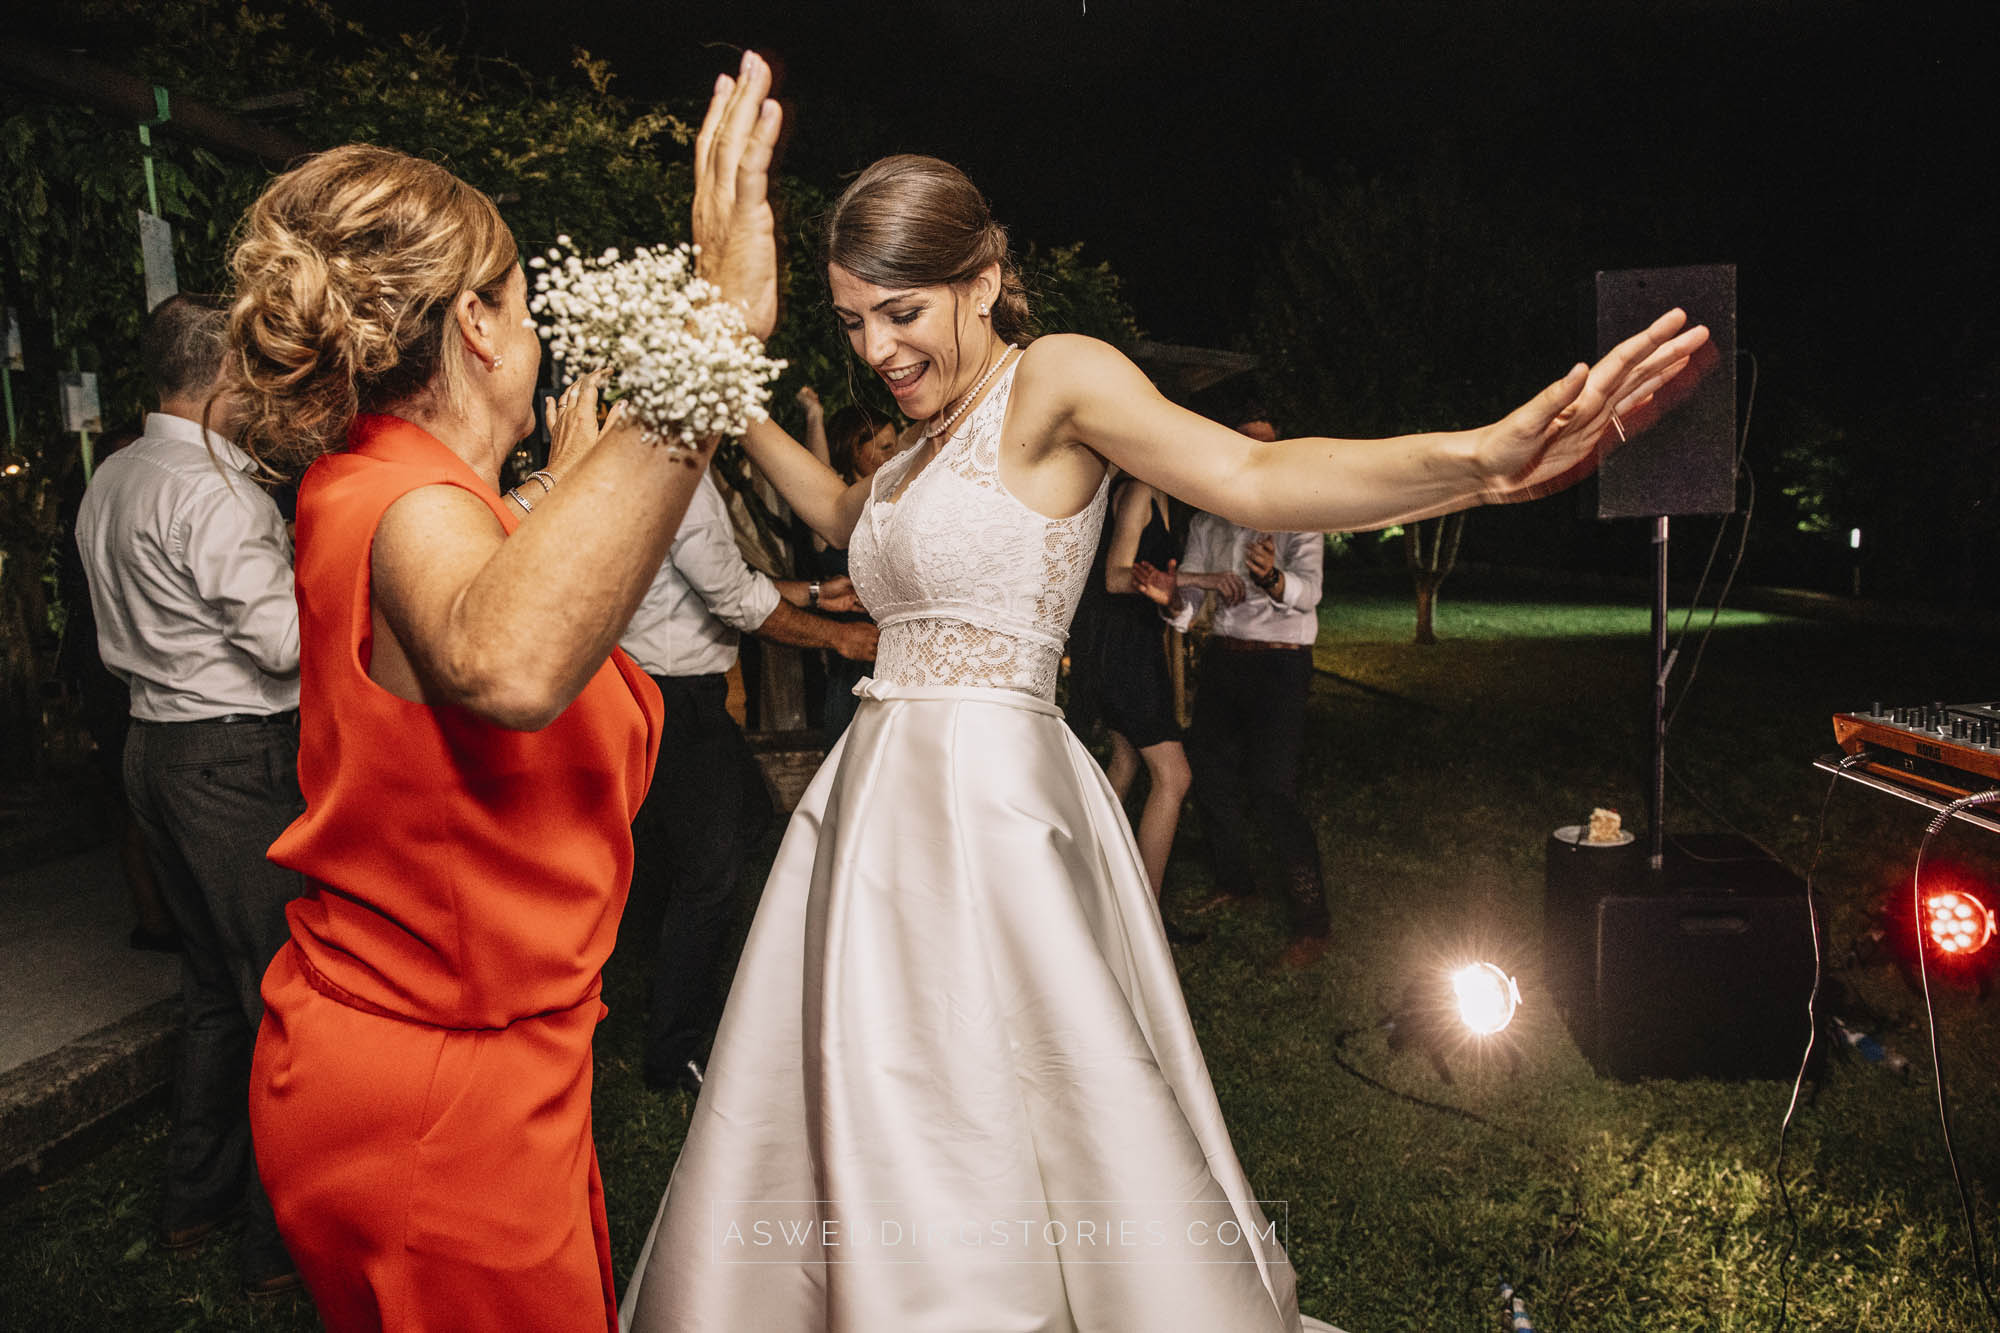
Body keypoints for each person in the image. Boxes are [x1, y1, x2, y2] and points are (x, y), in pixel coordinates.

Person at [620, 146, 1706, 1333]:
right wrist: (725, 399)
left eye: (900, 311)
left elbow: (1250, 471)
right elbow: (847, 516)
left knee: (997, 1092)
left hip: (988, 807)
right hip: (871, 806)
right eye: (849, 322)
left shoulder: (1054, 382)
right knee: (866, 1090)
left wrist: (1474, 463)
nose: (876, 349)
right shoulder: (917, 445)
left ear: (982, 278)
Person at [233, 56, 783, 1332]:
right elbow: (510, 662)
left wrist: (563, 494)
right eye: (526, 306)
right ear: (477, 327)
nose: (538, 335)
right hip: (438, 1089)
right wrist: (719, 323)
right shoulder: (406, 498)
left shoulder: (400, 488)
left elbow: (484, 600)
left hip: (445, 1056)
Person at [73, 294, 306, 1298]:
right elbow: (284, 644)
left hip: (153, 755)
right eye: (256, 373)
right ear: (224, 376)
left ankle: (193, 1203)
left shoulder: (114, 472)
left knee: (214, 994)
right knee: (278, 1001)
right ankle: (271, 1244)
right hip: (229, 761)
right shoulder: (215, 488)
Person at [621, 463, 878, 1095]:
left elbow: (716, 581)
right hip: (672, 696)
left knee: (749, 816)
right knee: (710, 876)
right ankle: (672, 1054)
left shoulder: (672, 457)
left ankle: (653, 958)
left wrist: (818, 593)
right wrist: (840, 639)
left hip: (664, 690)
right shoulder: (674, 463)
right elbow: (733, 600)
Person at [1145, 408, 1334, 972]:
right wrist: (1170, 598)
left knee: (1272, 790)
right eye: (1244, 445)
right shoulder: (1210, 520)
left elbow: (1310, 593)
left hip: (1282, 666)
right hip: (1228, 660)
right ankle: (1237, 882)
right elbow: (1189, 610)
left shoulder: (1299, 516)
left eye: (1266, 447)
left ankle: (1312, 924)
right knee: (1209, 775)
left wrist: (1272, 578)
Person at [797, 385, 900, 738]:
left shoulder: (898, 503)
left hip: (901, 657)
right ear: (855, 448)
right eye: (884, 446)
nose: (894, 454)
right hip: (853, 662)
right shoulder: (834, 514)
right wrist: (815, 416)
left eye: (896, 446)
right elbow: (818, 471)